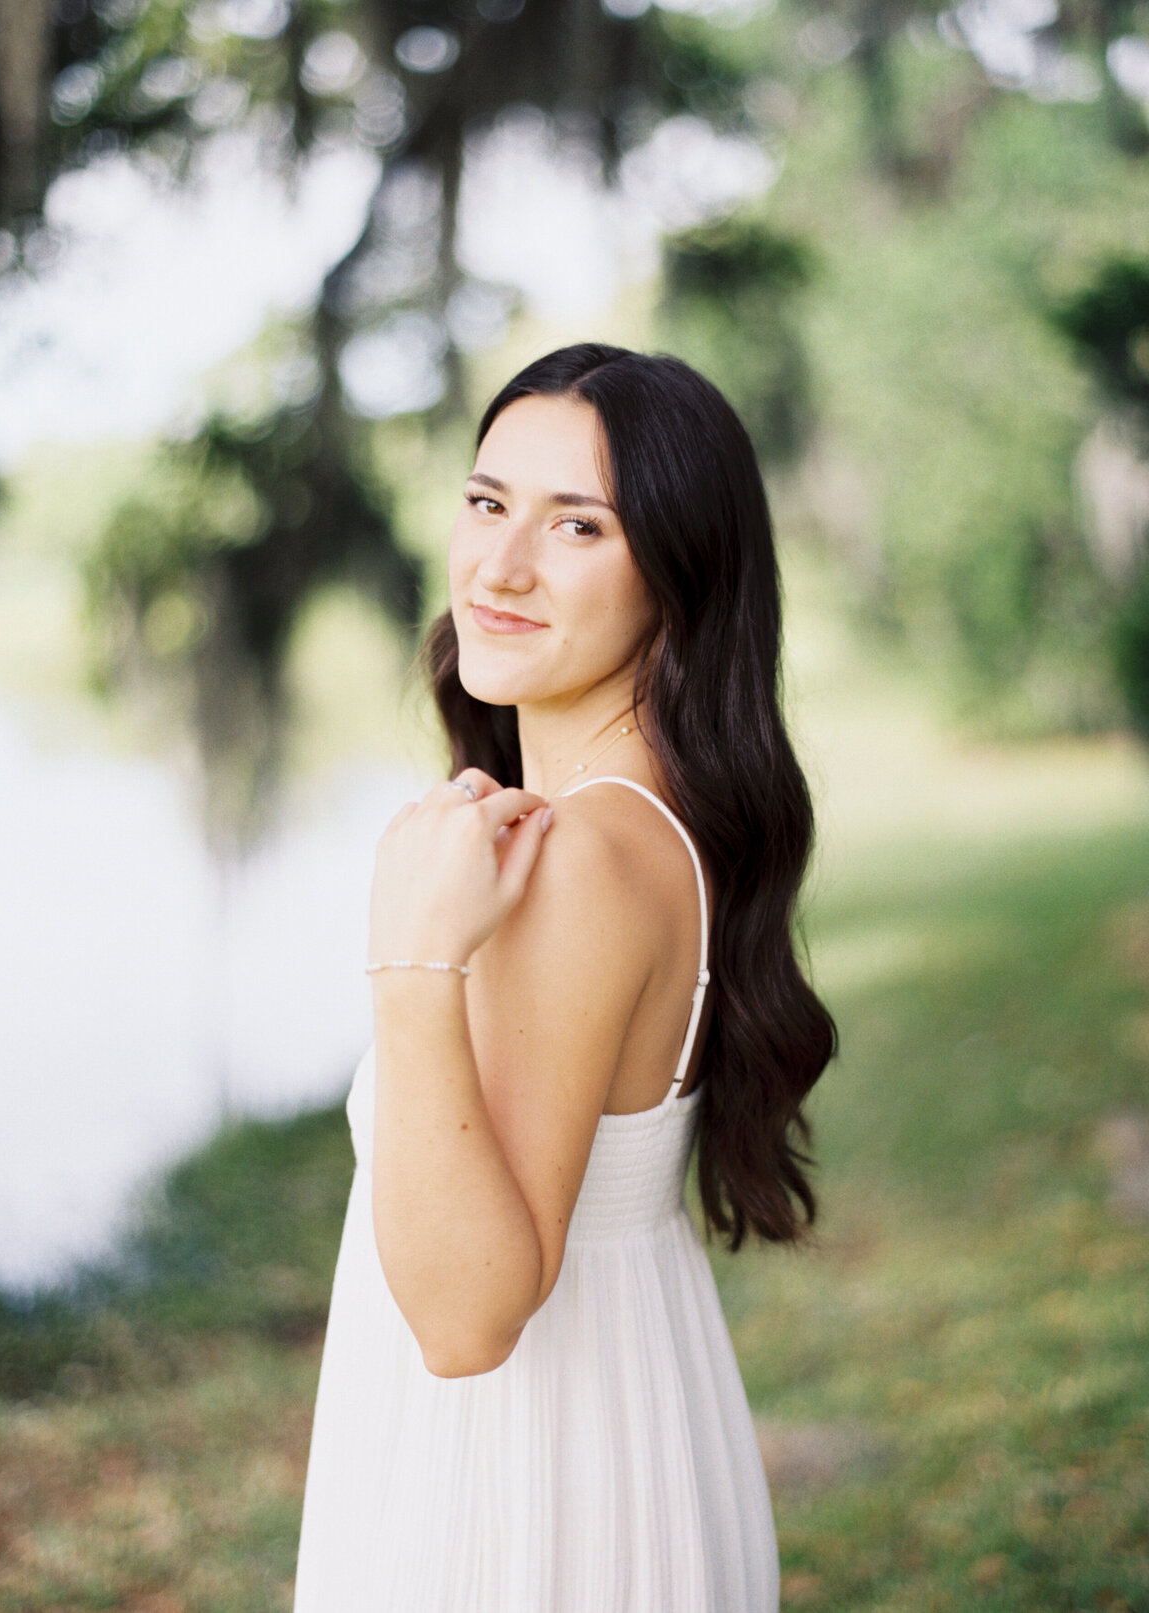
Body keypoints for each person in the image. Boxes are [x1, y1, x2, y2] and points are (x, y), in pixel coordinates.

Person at [292, 342, 837, 1612]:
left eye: (577, 524)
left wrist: (412, 960)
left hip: (519, 1493)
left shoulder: (582, 856)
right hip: (622, 1419)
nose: (500, 565)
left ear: (678, 573)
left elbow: (467, 1320)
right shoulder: (649, 823)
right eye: (487, 502)